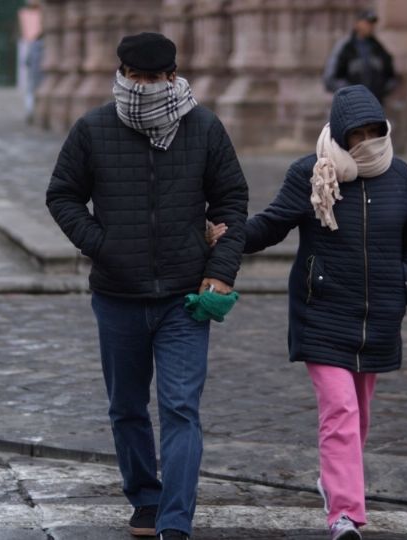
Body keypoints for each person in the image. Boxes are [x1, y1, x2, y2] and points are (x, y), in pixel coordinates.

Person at [46, 32, 249, 540]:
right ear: (122, 75)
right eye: (137, 78)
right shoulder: (93, 128)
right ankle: (146, 498)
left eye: (155, 79)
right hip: (117, 295)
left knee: (181, 408)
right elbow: (63, 195)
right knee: (127, 408)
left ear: (173, 77)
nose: (146, 88)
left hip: (185, 298)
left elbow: (231, 203)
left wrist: (221, 270)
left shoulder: (203, 127)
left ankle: (176, 522)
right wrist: (103, 243)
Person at [207, 85, 407, 540]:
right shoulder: (311, 173)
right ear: (342, 133)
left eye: (375, 130)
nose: (367, 140)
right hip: (323, 312)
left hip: (379, 318)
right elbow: (272, 225)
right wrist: (228, 237)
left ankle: (334, 480)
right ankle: (344, 514)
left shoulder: (400, 175)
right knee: (341, 410)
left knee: (359, 417)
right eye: (358, 132)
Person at [323, 9, 397, 104]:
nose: (370, 26)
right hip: (351, 106)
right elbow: (330, 79)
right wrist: (350, 92)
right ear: (357, 23)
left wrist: (381, 91)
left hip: (374, 105)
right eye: (367, 22)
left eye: (372, 24)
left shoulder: (379, 48)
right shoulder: (345, 47)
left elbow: (391, 76)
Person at [17, 0, 43, 122]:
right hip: (41, 71)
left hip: (35, 70)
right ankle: (33, 112)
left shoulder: (34, 44)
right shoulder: (44, 45)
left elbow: (27, 60)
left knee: (31, 90)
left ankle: (32, 112)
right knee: (34, 90)